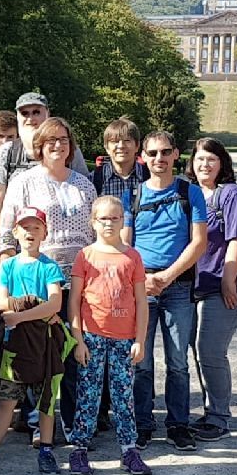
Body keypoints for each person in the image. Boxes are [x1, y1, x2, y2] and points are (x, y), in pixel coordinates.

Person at [0, 117, 97, 435]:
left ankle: (74, 423)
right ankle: (37, 423)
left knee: (73, 351)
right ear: (39, 146)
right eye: (51, 140)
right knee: (38, 352)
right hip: (37, 282)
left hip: (80, 281)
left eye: (63, 140)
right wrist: (10, 275)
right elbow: (6, 233)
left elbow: (96, 233)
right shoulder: (24, 181)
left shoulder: (84, 184)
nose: (58, 145)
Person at [123, 131, 208, 452]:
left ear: (175, 155)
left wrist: (167, 277)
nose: (159, 158)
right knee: (140, 361)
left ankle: (178, 425)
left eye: (165, 152)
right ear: (143, 157)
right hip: (141, 286)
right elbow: (125, 244)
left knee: (178, 361)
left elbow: (199, 242)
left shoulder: (190, 193)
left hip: (178, 287)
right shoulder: (133, 195)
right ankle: (142, 424)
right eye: (153, 153)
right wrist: (142, 279)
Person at [0, 207, 65, 475]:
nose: (30, 233)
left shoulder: (49, 266)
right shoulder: (8, 266)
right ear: (15, 232)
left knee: (46, 401)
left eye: (36, 228)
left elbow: (55, 304)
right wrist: (37, 308)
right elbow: (2, 302)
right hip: (14, 347)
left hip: (45, 344)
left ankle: (46, 451)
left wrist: (21, 314)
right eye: (25, 228)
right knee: (7, 401)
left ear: (45, 233)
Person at [67, 196, 151, 475]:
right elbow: (74, 301)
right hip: (91, 336)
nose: (109, 223)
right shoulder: (85, 256)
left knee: (123, 396)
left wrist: (140, 340)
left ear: (123, 221)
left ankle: (129, 450)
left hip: (124, 338)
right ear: (93, 222)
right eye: (103, 218)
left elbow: (141, 301)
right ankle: (79, 448)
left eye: (115, 218)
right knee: (88, 394)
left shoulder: (132, 257)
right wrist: (78, 340)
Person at [186, 138, 237, 442]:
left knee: (210, 350)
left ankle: (219, 418)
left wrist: (228, 280)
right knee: (198, 352)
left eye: (211, 159)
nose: (205, 164)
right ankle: (210, 411)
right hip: (194, 286)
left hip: (225, 284)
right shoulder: (188, 193)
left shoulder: (230, 194)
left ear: (222, 163)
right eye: (200, 159)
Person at [91, 117, 149, 432]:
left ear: (137, 146)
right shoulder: (97, 178)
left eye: (127, 140)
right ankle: (100, 410)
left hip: (140, 267)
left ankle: (139, 413)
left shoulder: (149, 176)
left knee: (136, 346)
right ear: (106, 146)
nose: (121, 146)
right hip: (106, 268)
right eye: (114, 141)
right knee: (101, 338)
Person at [0, 92, 89, 260]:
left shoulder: (69, 152)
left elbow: (84, 198)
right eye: (24, 113)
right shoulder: (7, 152)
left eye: (36, 112)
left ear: (47, 113)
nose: (30, 118)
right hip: (22, 253)